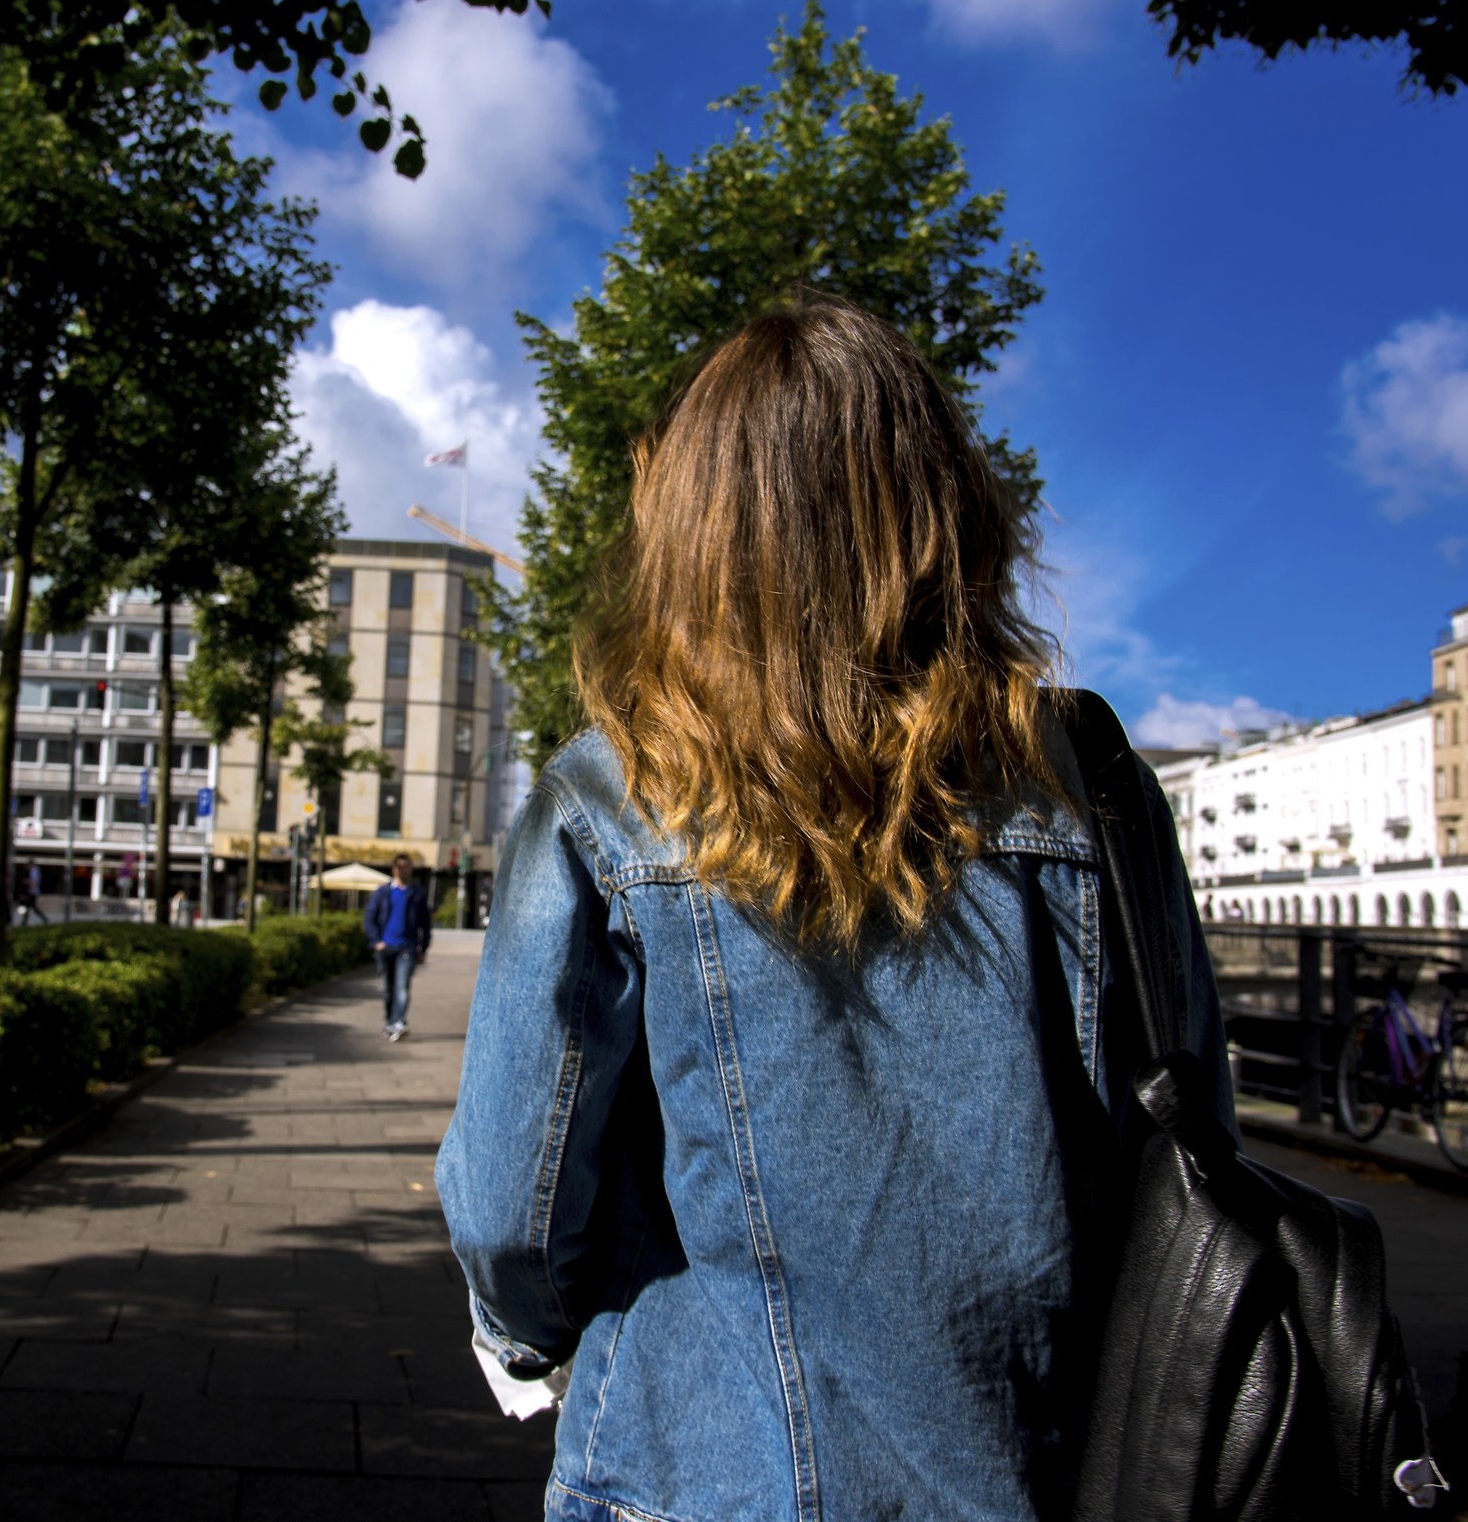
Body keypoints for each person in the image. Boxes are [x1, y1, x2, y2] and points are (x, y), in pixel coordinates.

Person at [434, 298, 1234, 1521]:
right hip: (1051, 1471)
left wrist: (530, 1344)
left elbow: (511, 1202)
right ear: (946, 512)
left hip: (693, 1469)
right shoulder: (1091, 778)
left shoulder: (613, 790)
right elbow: (1194, 1145)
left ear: (694, 536)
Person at [361, 855, 431, 1041]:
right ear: (393, 869)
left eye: (407, 867)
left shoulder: (417, 894)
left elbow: (426, 922)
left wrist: (423, 948)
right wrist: (376, 941)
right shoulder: (382, 892)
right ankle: (390, 1022)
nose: (403, 870)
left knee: (402, 987)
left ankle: (399, 1021)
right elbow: (369, 918)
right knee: (388, 988)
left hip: (407, 948)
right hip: (385, 947)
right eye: (400, 867)